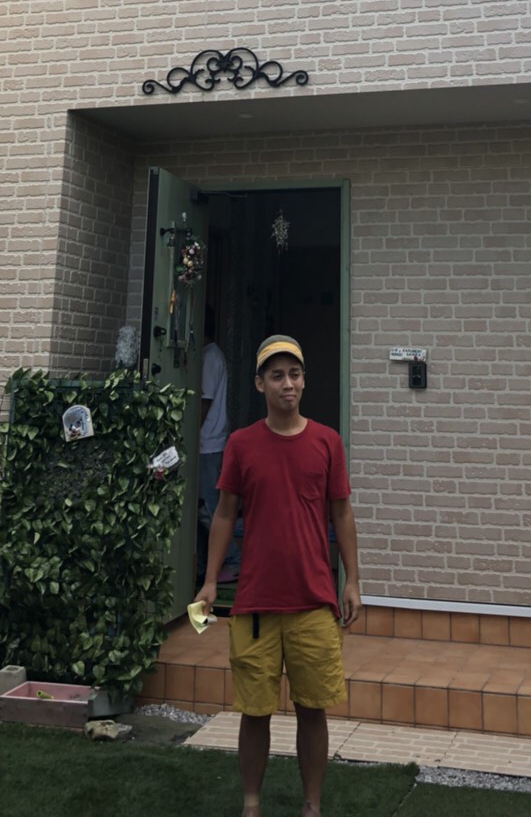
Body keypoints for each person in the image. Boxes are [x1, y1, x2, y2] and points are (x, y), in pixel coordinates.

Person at [194, 334, 361, 817]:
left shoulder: (327, 442)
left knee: (313, 709)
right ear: (260, 384)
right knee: (254, 711)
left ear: (304, 381)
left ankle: (312, 806)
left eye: (295, 374)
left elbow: (342, 513)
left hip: (314, 601)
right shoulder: (241, 444)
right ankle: (251, 805)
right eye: (277, 375)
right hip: (255, 604)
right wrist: (209, 581)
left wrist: (352, 580)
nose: (288, 383)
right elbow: (224, 513)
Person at [198, 308, 239, 582]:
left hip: (208, 444)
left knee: (210, 509)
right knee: (205, 508)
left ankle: (233, 560)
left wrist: (188, 436)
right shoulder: (210, 355)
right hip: (210, 442)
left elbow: (205, 401)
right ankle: (205, 565)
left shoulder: (210, 357)